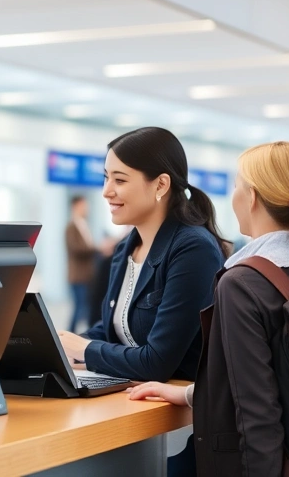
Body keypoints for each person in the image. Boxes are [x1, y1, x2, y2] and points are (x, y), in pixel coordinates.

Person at [128, 141, 289, 476]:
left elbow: (257, 413)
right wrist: (189, 394)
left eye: (236, 186)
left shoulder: (241, 283)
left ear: (252, 196)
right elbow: (278, 382)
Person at [57, 127, 229, 477]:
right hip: (132, 408)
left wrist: (84, 349)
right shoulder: (127, 247)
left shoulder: (192, 248)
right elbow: (110, 330)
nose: (107, 192)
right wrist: (59, 349)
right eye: (106, 178)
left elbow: (157, 361)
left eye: (120, 180)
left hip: (181, 429)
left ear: (161, 185)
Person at [65, 195, 95, 332]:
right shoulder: (71, 227)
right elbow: (76, 249)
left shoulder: (84, 224)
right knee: (79, 307)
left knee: (85, 307)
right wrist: (97, 248)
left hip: (87, 275)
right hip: (77, 275)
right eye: (83, 205)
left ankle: (83, 335)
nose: (86, 209)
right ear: (75, 206)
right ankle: (69, 336)